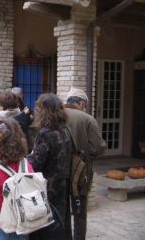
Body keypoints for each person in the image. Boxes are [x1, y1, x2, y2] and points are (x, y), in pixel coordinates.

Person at [27, 93, 73, 240]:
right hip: (62, 185)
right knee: (60, 222)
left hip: (48, 188)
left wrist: (27, 157)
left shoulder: (45, 133)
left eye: (38, 108)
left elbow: (36, 163)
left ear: (44, 110)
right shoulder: (65, 130)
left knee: (47, 227)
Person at [65, 87, 106, 240]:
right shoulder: (87, 119)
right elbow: (97, 147)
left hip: (58, 171)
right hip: (81, 172)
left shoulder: (55, 115)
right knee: (79, 211)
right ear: (81, 103)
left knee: (61, 210)